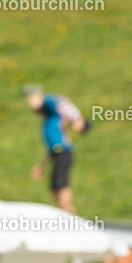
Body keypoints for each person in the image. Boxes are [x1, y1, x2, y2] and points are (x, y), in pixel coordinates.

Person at [24, 85, 87, 213]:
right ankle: (64, 211)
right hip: (56, 152)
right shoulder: (48, 122)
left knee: (61, 183)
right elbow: (51, 149)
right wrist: (41, 166)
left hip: (63, 152)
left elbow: (59, 101)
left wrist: (40, 97)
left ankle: (69, 212)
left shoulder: (55, 116)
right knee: (54, 187)